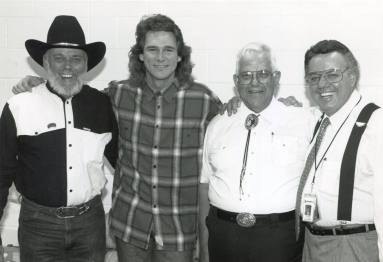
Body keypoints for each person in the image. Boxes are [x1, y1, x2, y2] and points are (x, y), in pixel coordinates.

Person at [0, 15, 118, 262]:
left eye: (76, 59)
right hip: (38, 227)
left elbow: (123, 162)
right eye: (59, 58)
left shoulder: (102, 104)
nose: (67, 66)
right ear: (45, 61)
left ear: (86, 65)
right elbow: (2, 172)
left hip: (90, 225)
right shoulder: (19, 105)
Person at [199, 42, 314, 262]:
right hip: (223, 237)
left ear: (276, 78)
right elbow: (205, 186)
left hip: (280, 240)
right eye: (246, 75)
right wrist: (204, 249)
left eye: (263, 74)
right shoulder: (218, 124)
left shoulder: (303, 121)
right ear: (236, 81)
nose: (254, 82)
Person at [295, 39, 383, 262]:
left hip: (354, 246)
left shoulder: (376, 124)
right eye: (314, 78)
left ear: (353, 76)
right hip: (312, 244)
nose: (322, 84)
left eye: (332, 74)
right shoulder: (318, 121)